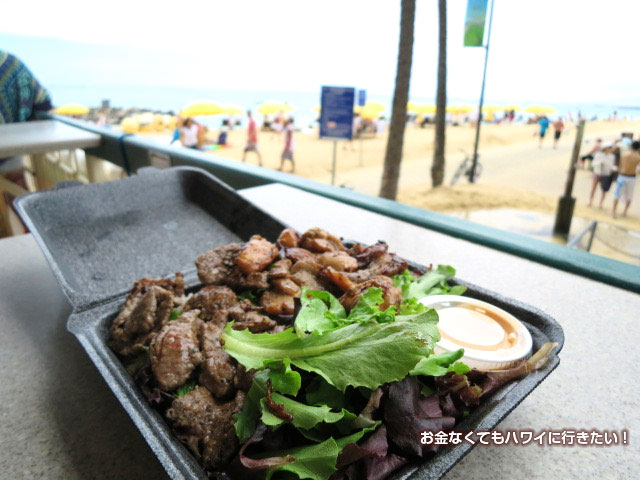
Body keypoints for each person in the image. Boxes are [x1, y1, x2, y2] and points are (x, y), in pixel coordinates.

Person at [612, 140, 640, 218]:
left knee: (617, 194)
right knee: (629, 195)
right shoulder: (638, 157)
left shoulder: (624, 154)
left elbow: (620, 165)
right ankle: (624, 212)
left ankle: (614, 211)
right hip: (632, 177)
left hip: (623, 176)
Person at [589, 143, 616, 208]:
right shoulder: (598, 154)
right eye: (609, 148)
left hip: (606, 174)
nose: (610, 149)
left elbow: (611, 165)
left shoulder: (612, 156)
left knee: (604, 190)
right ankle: (590, 201)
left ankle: (601, 203)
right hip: (597, 173)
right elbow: (593, 163)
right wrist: (600, 163)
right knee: (593, 188)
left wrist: (614, 169)